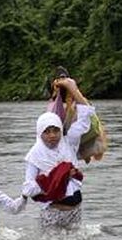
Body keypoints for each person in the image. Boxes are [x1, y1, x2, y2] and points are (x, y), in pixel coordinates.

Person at [23, 77, 96, 231]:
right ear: (39, 133)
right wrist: (55, 177)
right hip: (53, 212)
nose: (52, 135)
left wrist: (73, 89)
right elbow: (28, 188)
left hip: (75, 210)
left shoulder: (69, 142)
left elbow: (85, 117)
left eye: (55, 130)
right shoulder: (35, 155)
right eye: (47, 132)